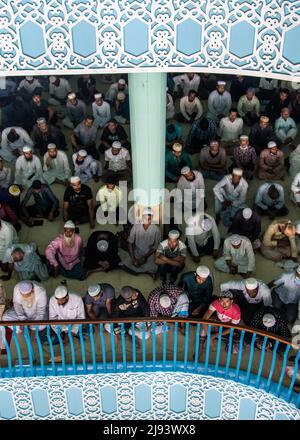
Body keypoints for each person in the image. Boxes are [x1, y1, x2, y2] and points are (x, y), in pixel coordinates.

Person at [121, 208, 161, 278]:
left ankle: (142, 271)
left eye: (149, 219)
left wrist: (145, 257)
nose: (147, 221)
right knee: (125, 264)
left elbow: (155, 246)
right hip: (137, 251)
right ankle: (147, 272)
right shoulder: (136, 227)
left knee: (154, 267)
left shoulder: (156, 230)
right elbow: (130, 243)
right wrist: (133, 258)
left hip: (149, 253)